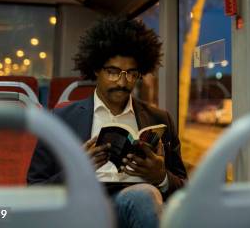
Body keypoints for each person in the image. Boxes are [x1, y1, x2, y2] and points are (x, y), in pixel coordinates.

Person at [27, 16, 187, 228]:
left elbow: (184, 191)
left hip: (142, 203)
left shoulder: (159, 119)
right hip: (83, 206)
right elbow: (34, 189)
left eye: (131, 74)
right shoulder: (62, 119)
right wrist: (77, 171)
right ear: (96, 70)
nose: (122, 82)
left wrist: (161, 177)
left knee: (144, 196)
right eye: (112, 72)